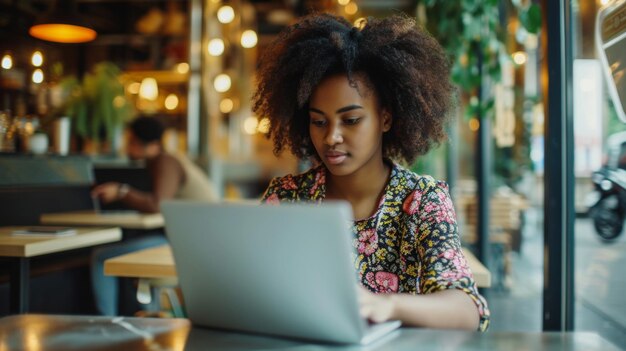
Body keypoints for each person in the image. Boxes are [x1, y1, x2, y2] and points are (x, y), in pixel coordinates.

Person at [254, 14, 489, 331]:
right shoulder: (287, 197)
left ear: (386, 119)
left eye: (350, 120)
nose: (331, 137)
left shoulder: (422, 200)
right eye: (319, 121)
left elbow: (466, 311)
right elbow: (253, 288)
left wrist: (387, 304)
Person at [90, 116, 218, 315]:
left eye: (132, 142)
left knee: (101, 258)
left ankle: (106, 323)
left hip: (191, 246)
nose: (126, 148)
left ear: (153, 145)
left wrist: (121, 192)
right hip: (193, 242)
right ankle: (147, 317)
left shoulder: (166, 162)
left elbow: (157, 204)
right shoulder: (165, 161)